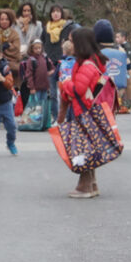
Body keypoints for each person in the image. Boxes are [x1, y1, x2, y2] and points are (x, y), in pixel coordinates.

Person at [57, 26, 106, 199]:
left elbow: (79, 89)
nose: (70, 44)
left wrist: (66, 83)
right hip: (88, 111)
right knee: (88, 147)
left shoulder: (86, 65)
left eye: (72, 40)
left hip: (82, 111)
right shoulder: (93, 61)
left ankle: (84, 186)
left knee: (82, 148)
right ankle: (91, 184)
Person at [94, 19, 131, 115]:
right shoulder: (120, 50)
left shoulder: (94, 51)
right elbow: (129, 73)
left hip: (98, 93)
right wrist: (130, 95)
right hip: (117, 92)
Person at [22, 39, 54, 125]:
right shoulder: (31, 60)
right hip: (36, 88)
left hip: (44, 86)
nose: (38, 50)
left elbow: (51, 67)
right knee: (36, 107)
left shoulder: (45, 57)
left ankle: (42, 122)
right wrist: (32, 87)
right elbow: (29, 75)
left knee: (44, 106)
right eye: (36, 48)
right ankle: (34, 122)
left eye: (39, 48)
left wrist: (51, 71)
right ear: (31, 49)